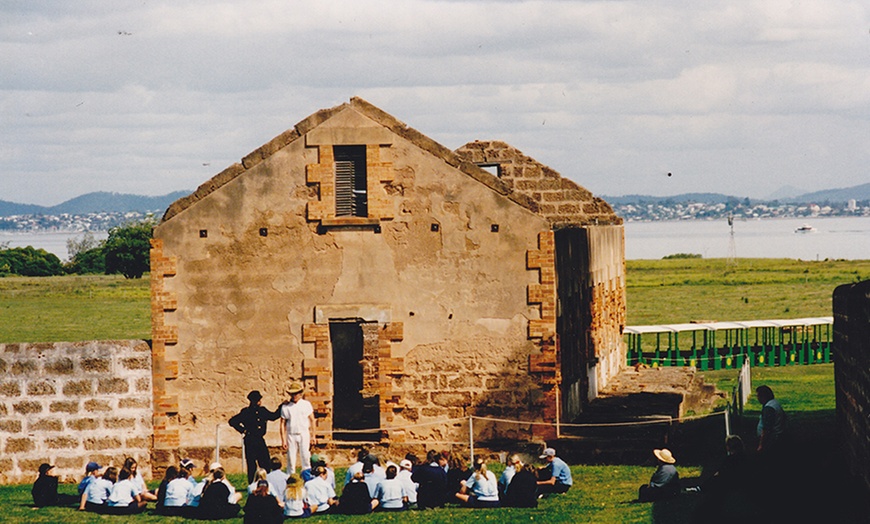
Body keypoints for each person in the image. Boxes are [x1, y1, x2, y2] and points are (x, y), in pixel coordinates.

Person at [229, 390, 281, 483]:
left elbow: (273, 416)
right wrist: (243, 430)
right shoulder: (246, 412)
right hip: (250, 439)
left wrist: (281, 407)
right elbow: (232, 421)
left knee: (265, 462)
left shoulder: (262, 411)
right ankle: (252, 483)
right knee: (252, 464)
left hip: (259, 439)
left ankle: (266, 481)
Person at [280, 381, 316, 474]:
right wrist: (283, 440)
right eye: (292, 394)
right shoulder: (286, 407)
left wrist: (313, 436)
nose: (294, 396)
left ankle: (307, 477)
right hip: (291, 434)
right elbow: (282, 423)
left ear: (300, 394)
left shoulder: (306, 404)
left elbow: (312, 420)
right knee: (291, 459)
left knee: (305, 457)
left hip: (304, 433)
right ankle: (291, 478)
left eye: (296, 393)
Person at [756, 385, 787, 455]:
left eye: (758, 396)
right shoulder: (775, 403)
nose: (757, 398)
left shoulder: (769, 408)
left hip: (771, 440)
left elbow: (767, 428)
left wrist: (761, 444)